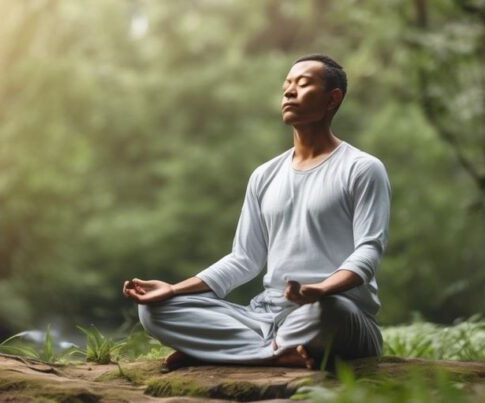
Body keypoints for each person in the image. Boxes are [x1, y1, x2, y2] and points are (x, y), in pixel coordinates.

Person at [123, 54, 391, 371]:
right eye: (287, 85)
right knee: (155, 311)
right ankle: (275, 352)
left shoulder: (361, 169)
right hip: (264, 317)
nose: (289, 92)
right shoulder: (265, 175)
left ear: (333, 99)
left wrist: (320, 289)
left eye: (303, 84)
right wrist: (173, 289)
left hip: (337, 316)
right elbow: (244, 259)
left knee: (328, 312)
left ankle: (227, 352)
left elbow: (368, 251)